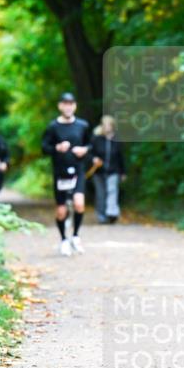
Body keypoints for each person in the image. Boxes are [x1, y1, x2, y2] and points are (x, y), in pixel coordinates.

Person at [41, 92, 91, 256]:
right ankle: (64, 239)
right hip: (60, 173)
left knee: (79, 204)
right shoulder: (53, 127)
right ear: (60, 106)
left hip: (78, 170)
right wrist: (57, 148)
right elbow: (44, 148)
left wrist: (84, 150)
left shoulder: (83, 125)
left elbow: (91, 145)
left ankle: (75, 236)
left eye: (71, 103)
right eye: (65, 103)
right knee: (61, 211)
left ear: (75, 106)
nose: (68, 106)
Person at [90, 115, 126, 224]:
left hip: (113, 171)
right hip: (98, 172)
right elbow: (89, 153)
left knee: (112, 191)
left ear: (112, 126)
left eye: (109, 125)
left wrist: (123, 172)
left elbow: (121, 157)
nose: (106, 127)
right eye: (104, 125)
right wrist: (93, 159)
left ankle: (112, 213)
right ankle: (102, 215)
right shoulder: (96, 139)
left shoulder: (116, 140)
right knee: (101, 194)